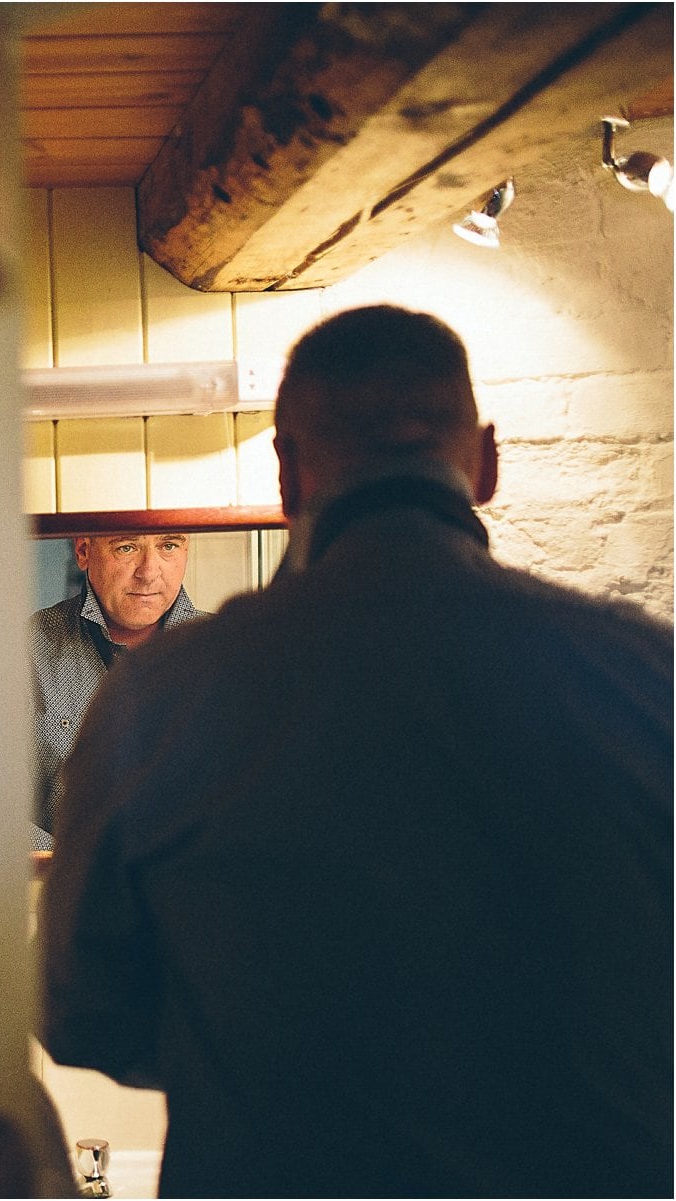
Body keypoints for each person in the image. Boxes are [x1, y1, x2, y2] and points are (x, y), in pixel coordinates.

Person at [40, 305, 673, 1198]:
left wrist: (262, 1054)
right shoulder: (650, 680)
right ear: (484, 464)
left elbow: (83, 1018)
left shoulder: (161, 700)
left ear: (289, 475)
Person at [31, 531, 202, 846]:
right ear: (83, 551)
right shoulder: (23, 650)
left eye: (169, 546)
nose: (149, 572)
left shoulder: (229, 651)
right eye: (127, 547)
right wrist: (73, 867)